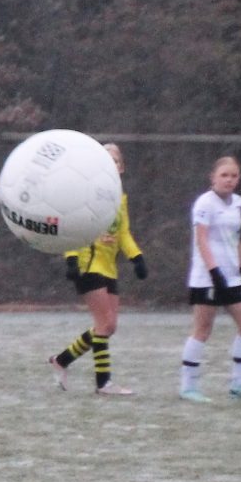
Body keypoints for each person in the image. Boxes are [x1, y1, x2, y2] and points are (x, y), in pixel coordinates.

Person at [47, 142, 147, 395]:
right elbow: (72, 227)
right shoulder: (85, 193)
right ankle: (104, 383)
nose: (111, 165)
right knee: (103, 324)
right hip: (88, 265)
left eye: (115, 161)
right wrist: (71, 258)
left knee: (109, 326)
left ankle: (61, 360)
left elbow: (123, 233)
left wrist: (137, 257)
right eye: (106, 160)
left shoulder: (120, 199)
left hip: (108, 267)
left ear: (121, 168)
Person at [178, 154, 241, 404]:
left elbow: (234, 238)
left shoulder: (238, 202)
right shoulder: (204, 203)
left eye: (234, 175)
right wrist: (214, 271)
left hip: (232, 276)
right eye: (224, 175)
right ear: (213, 177)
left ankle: (240, 385)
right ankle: (188, 387)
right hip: (207, 278)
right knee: (202, 330)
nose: (229, 180)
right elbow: (202, 240)